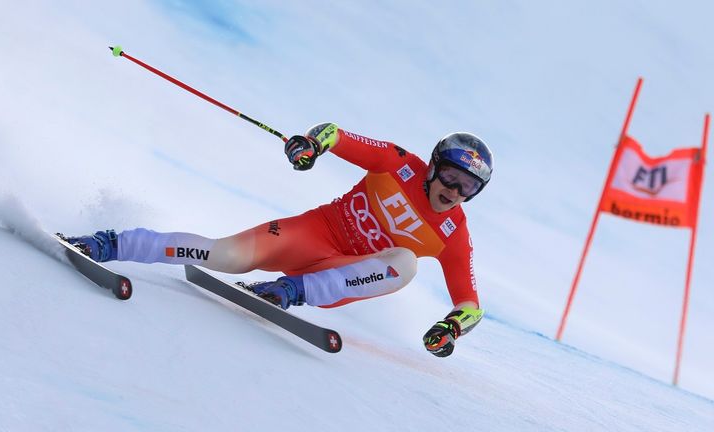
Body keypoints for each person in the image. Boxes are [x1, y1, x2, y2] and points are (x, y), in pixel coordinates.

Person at [66, 123, 493, 357]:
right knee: (224, 254)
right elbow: (336, 134)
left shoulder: (452, 234)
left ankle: (289, 291)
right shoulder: (399, 163)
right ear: (435, 166)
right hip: (310, 235)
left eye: (468, 187)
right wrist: (310, 144)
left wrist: (451, 327)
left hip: (336, 276)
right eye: (451, 176)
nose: (454, 191)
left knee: (406, 264)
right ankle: (110, 244)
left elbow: (469, 304)